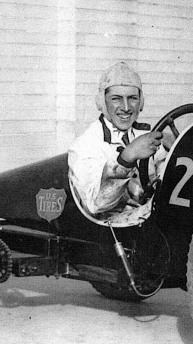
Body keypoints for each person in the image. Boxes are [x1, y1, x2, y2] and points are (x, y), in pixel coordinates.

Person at [68, 61, 166, 225]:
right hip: (112, 233)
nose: (126, 107)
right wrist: (126, 158)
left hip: (150, 224)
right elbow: (96, 204)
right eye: (116, 99)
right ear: (102, 102)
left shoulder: (146, 136)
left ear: (141, 102)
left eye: (132, 98)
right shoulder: (85, 145)